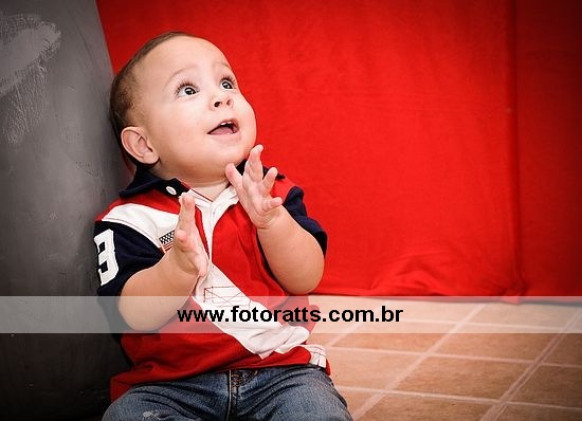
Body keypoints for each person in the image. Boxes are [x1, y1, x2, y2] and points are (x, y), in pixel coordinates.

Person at [93, 31, 352, 420]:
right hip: (170, 386)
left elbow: (306, 277)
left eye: (227, 82)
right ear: (144, 145)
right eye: (188, 90)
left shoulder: (271, 192)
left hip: (281, 373)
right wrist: (176, 269)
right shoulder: (129, 219)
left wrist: (272, 223)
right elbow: (131, 314)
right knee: (126, 416)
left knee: (316, 412)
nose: (221, 97)